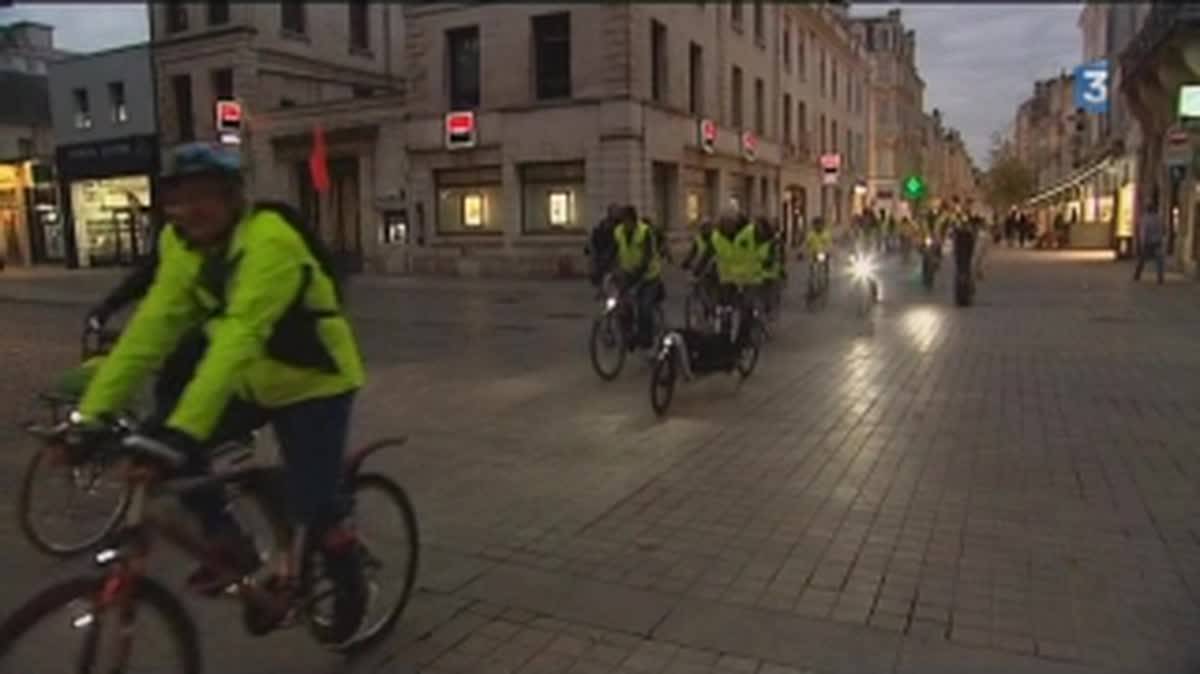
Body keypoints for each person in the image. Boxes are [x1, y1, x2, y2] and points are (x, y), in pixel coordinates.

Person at [75, 142, 368, 643]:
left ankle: (349, 578)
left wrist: (184, 432)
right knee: (158, 439)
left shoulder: (268, 240)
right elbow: (152, 330)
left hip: (316, 382)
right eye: (179, 199)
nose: (191, 210)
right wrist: (89, 417)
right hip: (252, 380)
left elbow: (239, 336)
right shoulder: (181, 245)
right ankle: (230, 543)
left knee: (314, 507)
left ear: (234, 199)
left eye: (205, 196)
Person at [611, 205, 664, 348]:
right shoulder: (618, 232)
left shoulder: (645, 232)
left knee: (644, 307)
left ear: (633, 220)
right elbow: (612, 252)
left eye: (626, 220)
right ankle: (627, 335)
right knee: (622, 304)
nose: (624, 224)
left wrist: (638, 273)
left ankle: (647, 338)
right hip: (628, 273)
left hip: (648, 275)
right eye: (622, 221)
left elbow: (648, 256)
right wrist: (604, 268)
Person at [586, 204, 620, 291]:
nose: (615, 213)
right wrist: (591, 249)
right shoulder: (603, 225)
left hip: (617, 256)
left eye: (616, 211)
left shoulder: (621, 226)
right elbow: (595, 238)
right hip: (603, 256)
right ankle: (602, 289)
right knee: (601, 273)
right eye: (613, 211)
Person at [1133, 196, 1165, 284]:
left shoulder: (1145, 218)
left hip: (1148, 242)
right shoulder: (1158, 218)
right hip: (1157, 242)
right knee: (1159, 261)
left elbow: (1143, 231)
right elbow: (1161, 229)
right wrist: (1160, 239)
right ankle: (1160, 277)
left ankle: (1137, 275)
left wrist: (1142, 242)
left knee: (1142, 260)